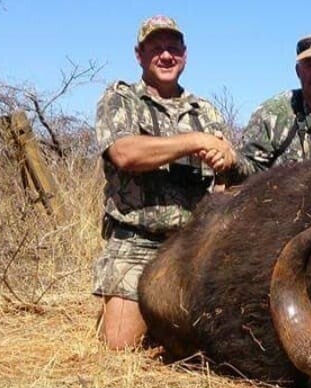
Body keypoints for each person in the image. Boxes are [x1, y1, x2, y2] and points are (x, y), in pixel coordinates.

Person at [93, 15, 236, 350]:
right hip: (136, 241)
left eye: (173, 48)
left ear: (185, 55)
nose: (166, 55)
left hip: (192, 245)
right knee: (120, 346)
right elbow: (124, 153)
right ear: (139, 55)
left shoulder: (205, 111)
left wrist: (226, 161)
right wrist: (195, 141)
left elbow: (222, 187)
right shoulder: (121, 98)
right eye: (156, 48)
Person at [224, 33, 311, 182]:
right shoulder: (272, 115)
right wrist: (230, 159)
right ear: (298, 71)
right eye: (310, 65)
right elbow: (248, 171)